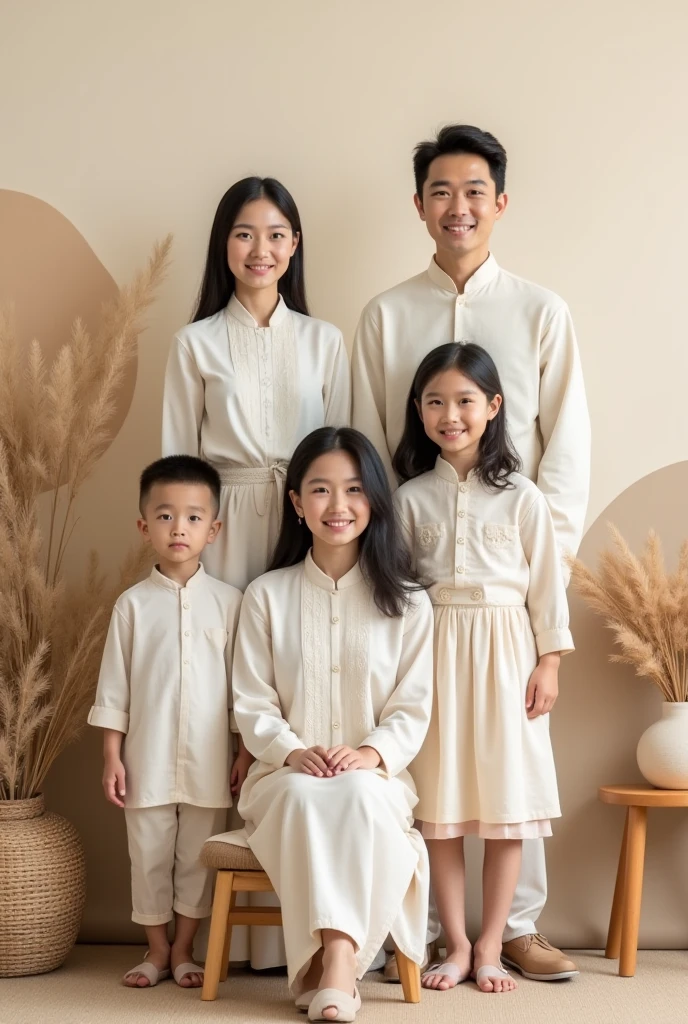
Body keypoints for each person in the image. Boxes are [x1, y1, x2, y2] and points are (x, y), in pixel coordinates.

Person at [352, 123, 589, 982]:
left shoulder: (540, 310)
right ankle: (421, 927)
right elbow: (372, 449)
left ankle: (513, 929)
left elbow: (565, 446)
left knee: (514, 771)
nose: (459, 207)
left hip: (510, 594)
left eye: (474, 191)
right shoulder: (386, 314)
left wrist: (542, 580)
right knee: (439, 775)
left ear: (500, 201)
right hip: (424, 593)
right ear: (419, 205)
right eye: (441, 192)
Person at [212, 427, 433, 1022]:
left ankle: (334, 962)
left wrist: (370, 754)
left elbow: (412, 708)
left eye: (355, 489)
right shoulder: (266, 595)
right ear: (296, 503)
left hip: (376, 776)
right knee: (310, 798)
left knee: (359, 792)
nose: (338, 506)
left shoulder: (410, 603)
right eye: (320, 490)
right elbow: (251, 702)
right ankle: (341, 967)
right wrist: (290, 751)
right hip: (283, 777)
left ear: (375, 500)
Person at [394, 343, 573, 993]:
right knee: (439, 805)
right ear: (418, 411)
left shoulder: (523, 497)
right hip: (435, 654)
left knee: (507, 805)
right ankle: (457, 942)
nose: (451, 414)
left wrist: (548, 662)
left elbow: (547, 589)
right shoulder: (409, 499)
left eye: (466, 401)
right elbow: (399, 595)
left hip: (507, 654)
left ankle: (495, 943)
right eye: (435, 401)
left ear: (494, 407)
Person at [87, 456, 246, 989]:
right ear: (144, 525)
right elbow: (115, 689)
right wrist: (112, 755)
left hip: (210, 760)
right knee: (149, 857)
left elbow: (241, 691)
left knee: (197, 859)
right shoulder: (131, 606)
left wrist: (243, 752)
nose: (180, 527)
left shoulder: (230, 604)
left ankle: (184, 951)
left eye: (194, 517)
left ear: (214, 528)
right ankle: (155, 951)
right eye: (165, 516)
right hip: (145, 759)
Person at [162, 176, 350, 594]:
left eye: (276, 235)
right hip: (222, 523)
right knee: (223, 646)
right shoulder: (193, 344)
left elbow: (340, 455)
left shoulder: (326, 341)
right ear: (223, 243)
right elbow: (177, 462)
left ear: (294, 244)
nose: (260, 250)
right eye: (244, 234)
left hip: (305, 519)